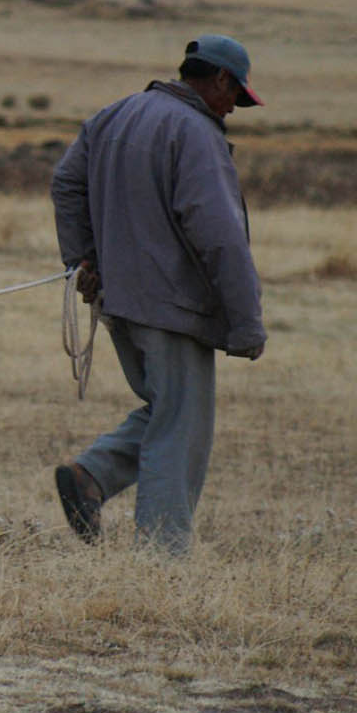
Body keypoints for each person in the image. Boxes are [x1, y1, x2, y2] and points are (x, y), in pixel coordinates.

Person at [49, 34, 266, 554]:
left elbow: (65, 183)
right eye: (235, 95)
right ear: (218, 79)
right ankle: (162, 560)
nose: (233, 108)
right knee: (180, 426)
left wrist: (87, 258)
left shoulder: (115, 114)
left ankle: (91, 477)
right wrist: (246, 322)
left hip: (120, 301)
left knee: (167, 410)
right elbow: (218, 234)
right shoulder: (195, 132)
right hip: (174, 306)